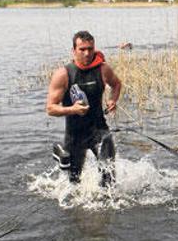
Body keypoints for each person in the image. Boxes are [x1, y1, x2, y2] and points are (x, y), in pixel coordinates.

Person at [46, 30, 122, 185]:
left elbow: (116, 84)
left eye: (90, 49)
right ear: (74, 50)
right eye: (82, 49)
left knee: (109, 179)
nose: (87, 53)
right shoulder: (63, 74)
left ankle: (109, 207)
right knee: (74, 183)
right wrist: (72, 109)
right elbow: (50, 108)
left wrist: (112, 100)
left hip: (100, 130)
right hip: (75, 135)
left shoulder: (103, 69)